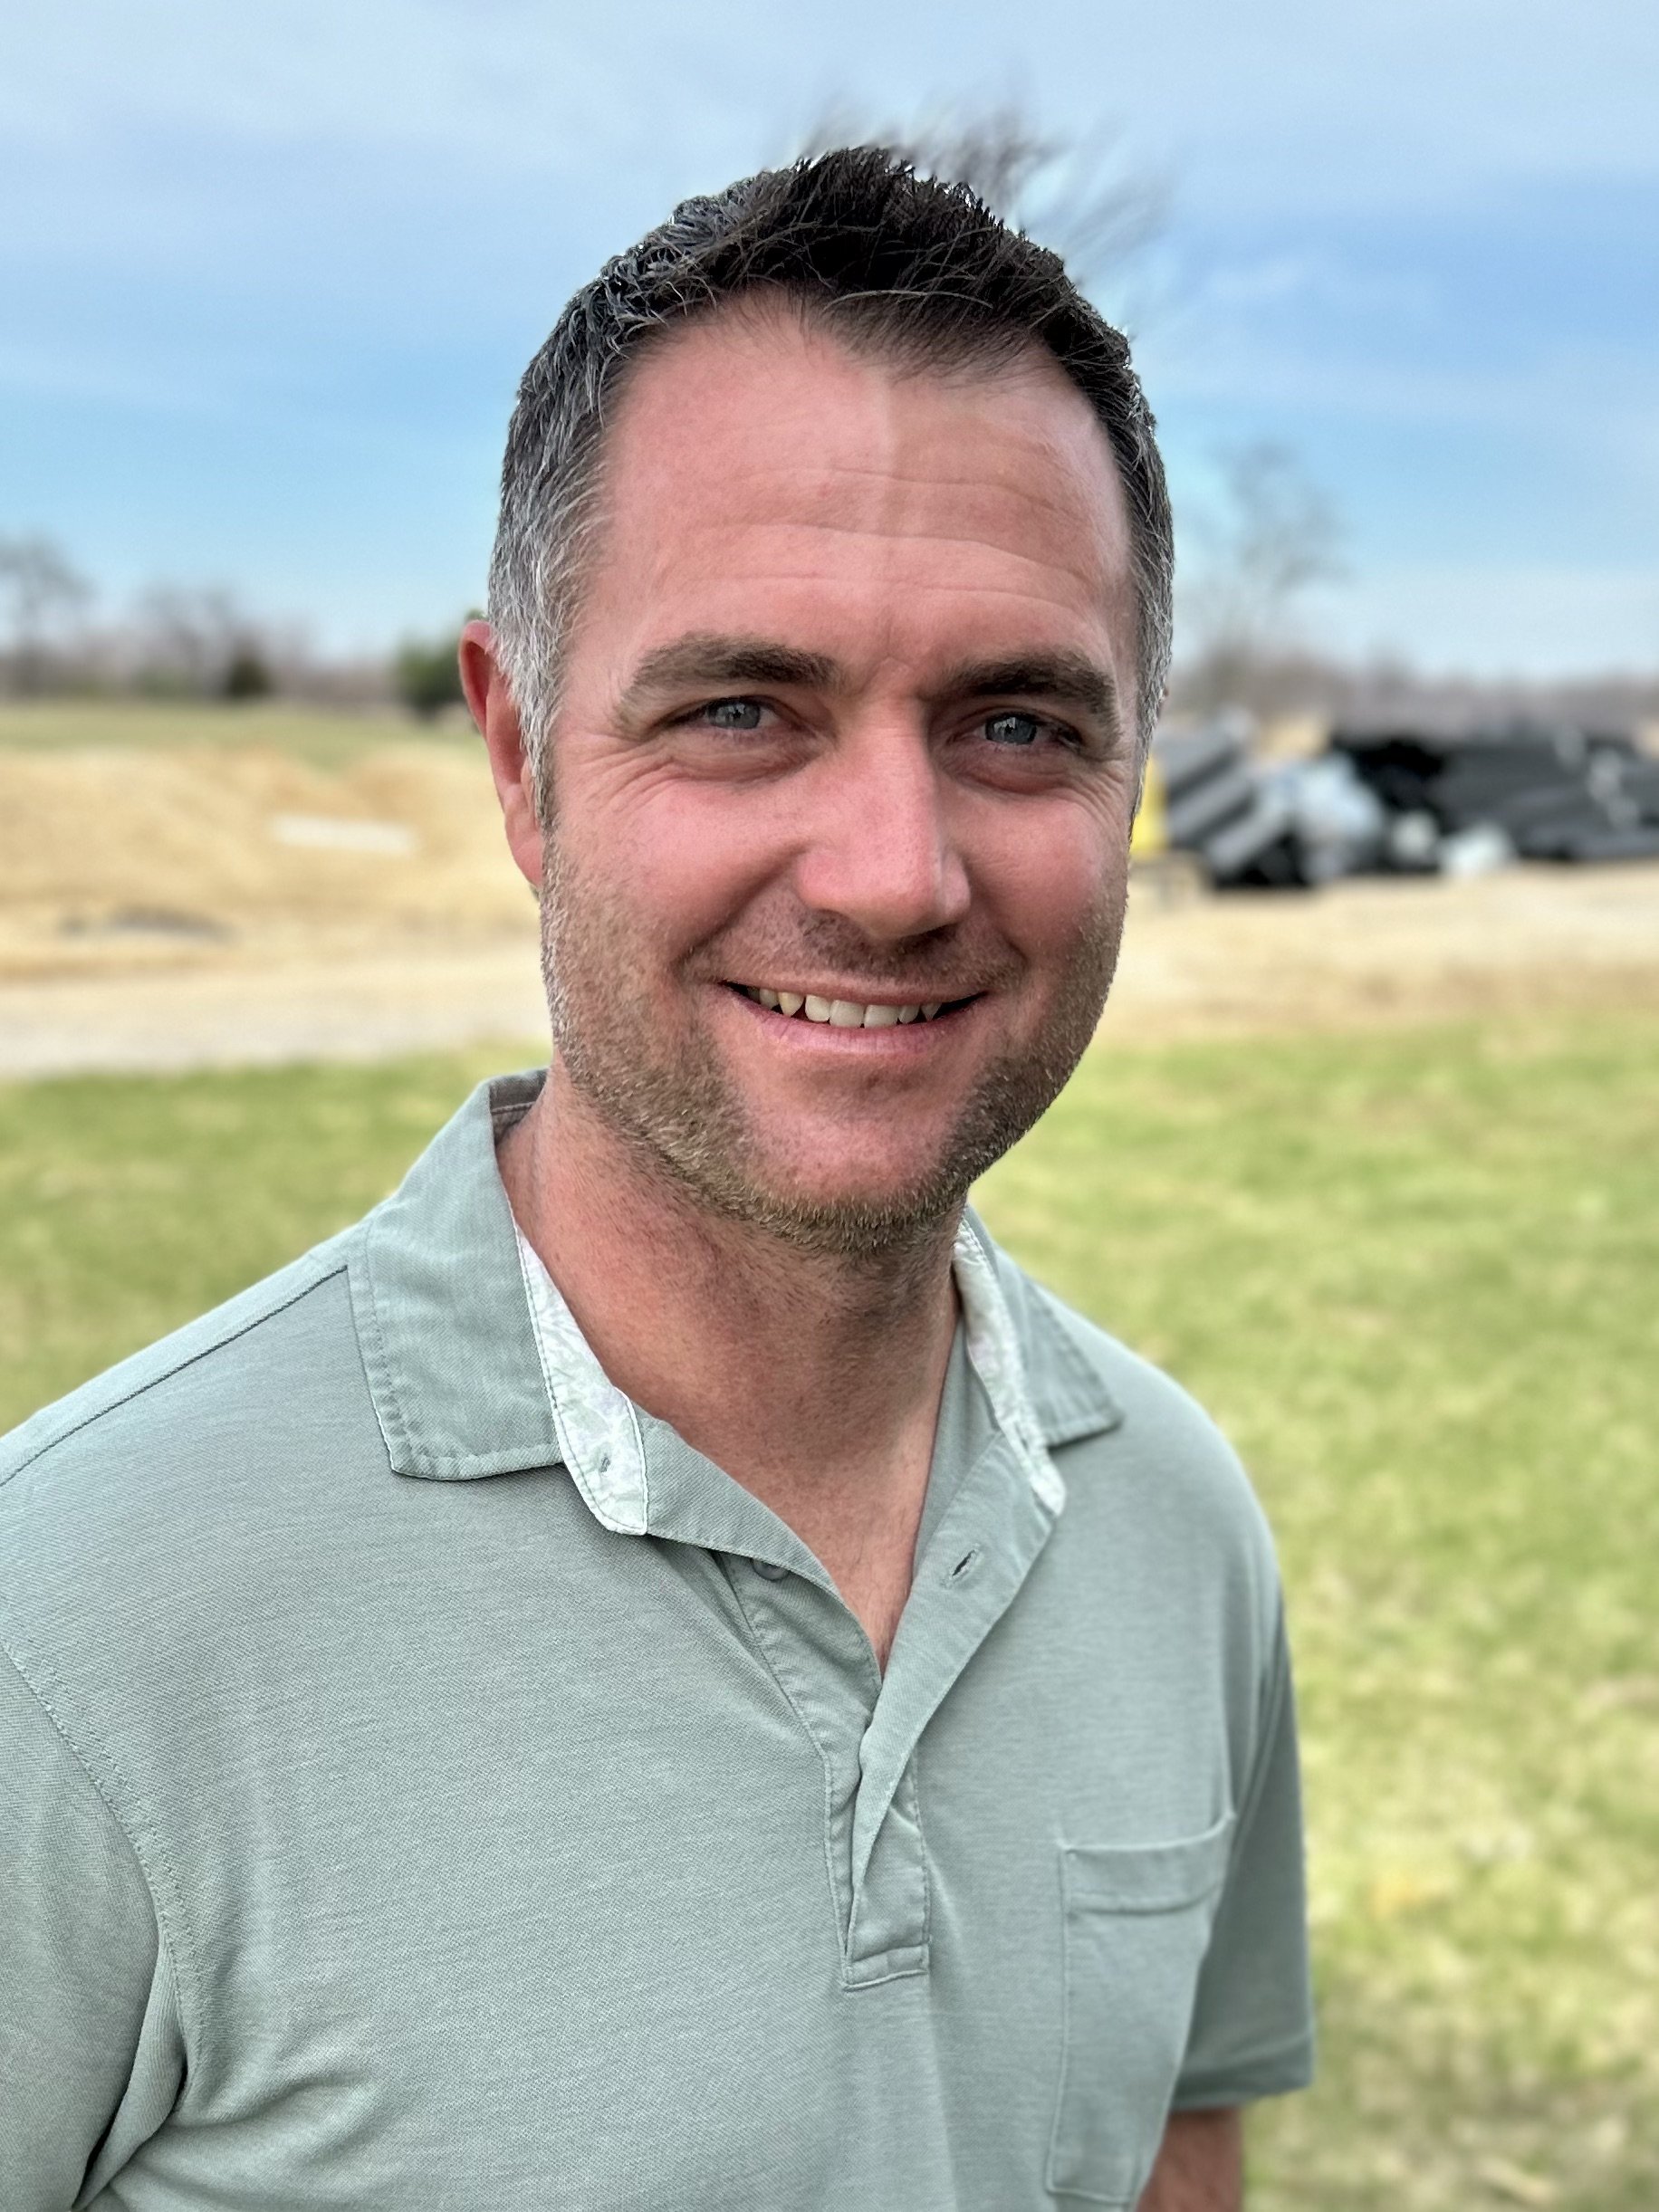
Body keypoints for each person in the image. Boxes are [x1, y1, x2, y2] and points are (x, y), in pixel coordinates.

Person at [0, 148, 1312, 2210]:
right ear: (519, 755)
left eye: (1014, 724)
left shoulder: (1176, 1528)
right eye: (738, 708)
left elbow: (1169, 2159)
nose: (893, 874)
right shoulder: (67, 1627)